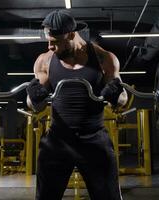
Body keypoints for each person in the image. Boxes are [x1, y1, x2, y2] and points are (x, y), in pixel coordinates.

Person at [26, 10, 128, 200]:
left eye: (55, 42)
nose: (50, 46)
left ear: (71, 35)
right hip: (58, 140)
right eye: (48, 41)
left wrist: (115, 94)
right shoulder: (45, 61)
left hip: (94, 139)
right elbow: (35, 106)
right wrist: (33, 97)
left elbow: (122, 100)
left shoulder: (104, 58)